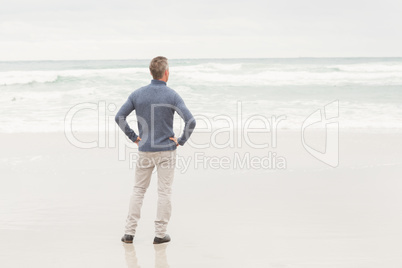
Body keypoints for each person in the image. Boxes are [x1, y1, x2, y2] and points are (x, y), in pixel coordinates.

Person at [115, 56, 196, 244]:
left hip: (145, 150)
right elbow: (191, 121)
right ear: (166, 73)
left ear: (151, 73)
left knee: (138, 190)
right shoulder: (172, 95)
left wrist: (134, 137)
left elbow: (119, 117)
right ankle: (160, 234)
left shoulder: (137, 94)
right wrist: (181, 140)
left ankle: (129, 233)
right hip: (167, 150)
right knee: (164, 192)